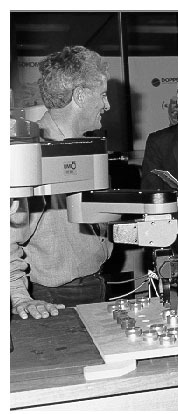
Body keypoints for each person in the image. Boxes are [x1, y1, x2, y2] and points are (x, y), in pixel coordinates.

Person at [10, 46, 113, 319]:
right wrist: (21, 300)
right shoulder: (32, 157)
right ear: (80, 95)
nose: (107, 105)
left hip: (95, 284)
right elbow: (5, 240)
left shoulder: (86, 149)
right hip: (52, 299)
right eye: (102, 95)